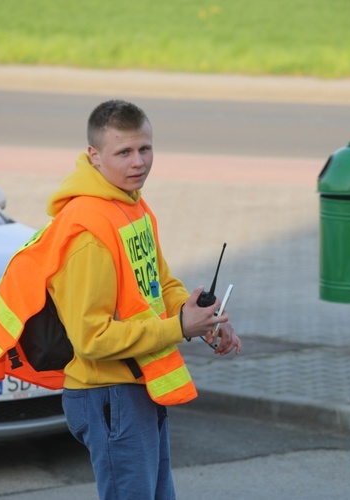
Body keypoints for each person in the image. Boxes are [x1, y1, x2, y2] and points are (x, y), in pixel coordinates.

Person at [46, 99, 242, 498]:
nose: (139, 162)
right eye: (124, 152)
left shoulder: (132, 207)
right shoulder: (89, 232)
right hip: (107, 394)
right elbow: (91, 338)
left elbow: (161, 284)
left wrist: (202, 314)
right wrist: (179, 327)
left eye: (145, 149)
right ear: (94, 156)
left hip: (134, 387)